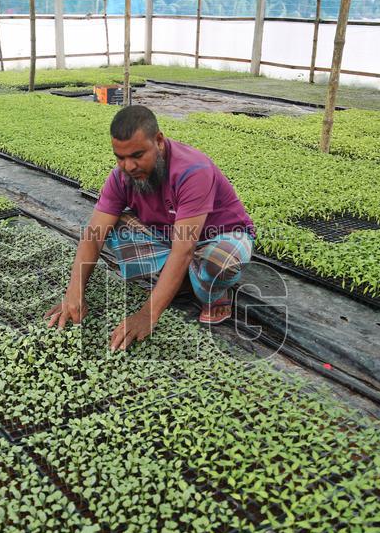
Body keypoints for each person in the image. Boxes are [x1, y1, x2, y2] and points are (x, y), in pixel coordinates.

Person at [46, 105, 255, 350]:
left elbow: (184, 249)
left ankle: (215, 292)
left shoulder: (192, 170)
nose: (129, 166)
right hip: (171, 235)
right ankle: (183, 281)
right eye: (120, 157)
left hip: (219, 235)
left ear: (159, 141)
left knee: (217, 265)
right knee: (108, 228)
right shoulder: (121, 177)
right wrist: (74, 292)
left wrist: (147, 315)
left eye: (137, 155)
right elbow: (93, 237)